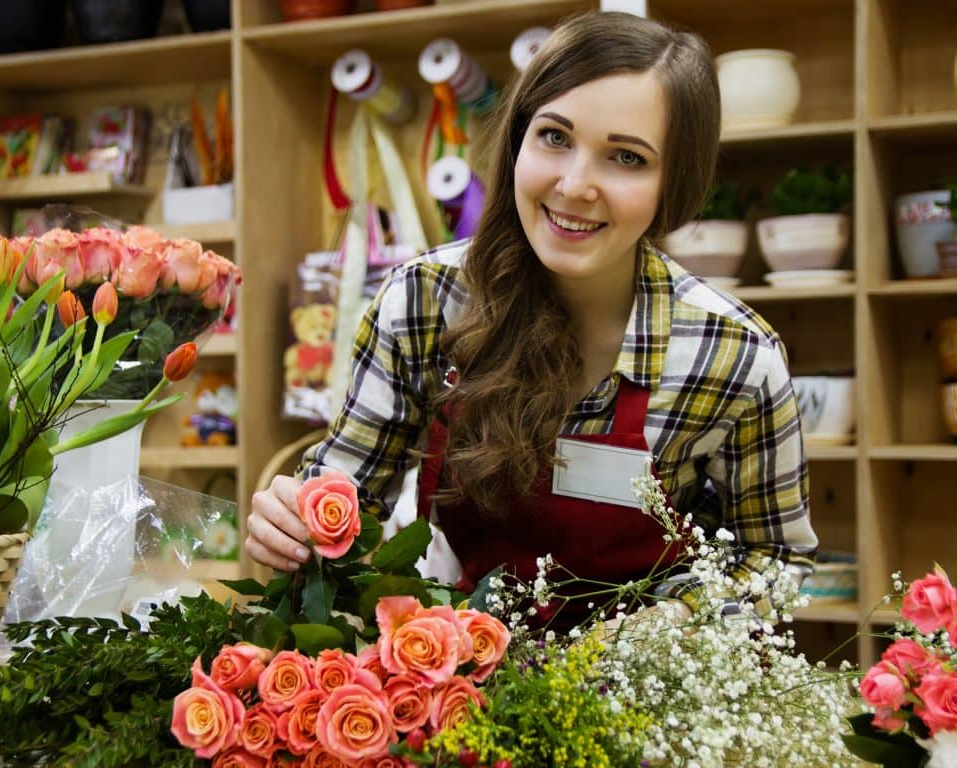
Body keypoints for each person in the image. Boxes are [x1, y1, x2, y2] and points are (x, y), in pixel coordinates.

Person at [248, 10, 818, 621]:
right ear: (517, 139)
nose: (574, 185)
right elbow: (345, 500)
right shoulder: (424, 302)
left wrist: (675, 623)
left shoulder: (732, 355)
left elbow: (777, 560)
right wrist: (294, 522)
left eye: (626, 158)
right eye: (554, 136)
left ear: (673, 182)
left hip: (651, 691)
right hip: (465, 674)